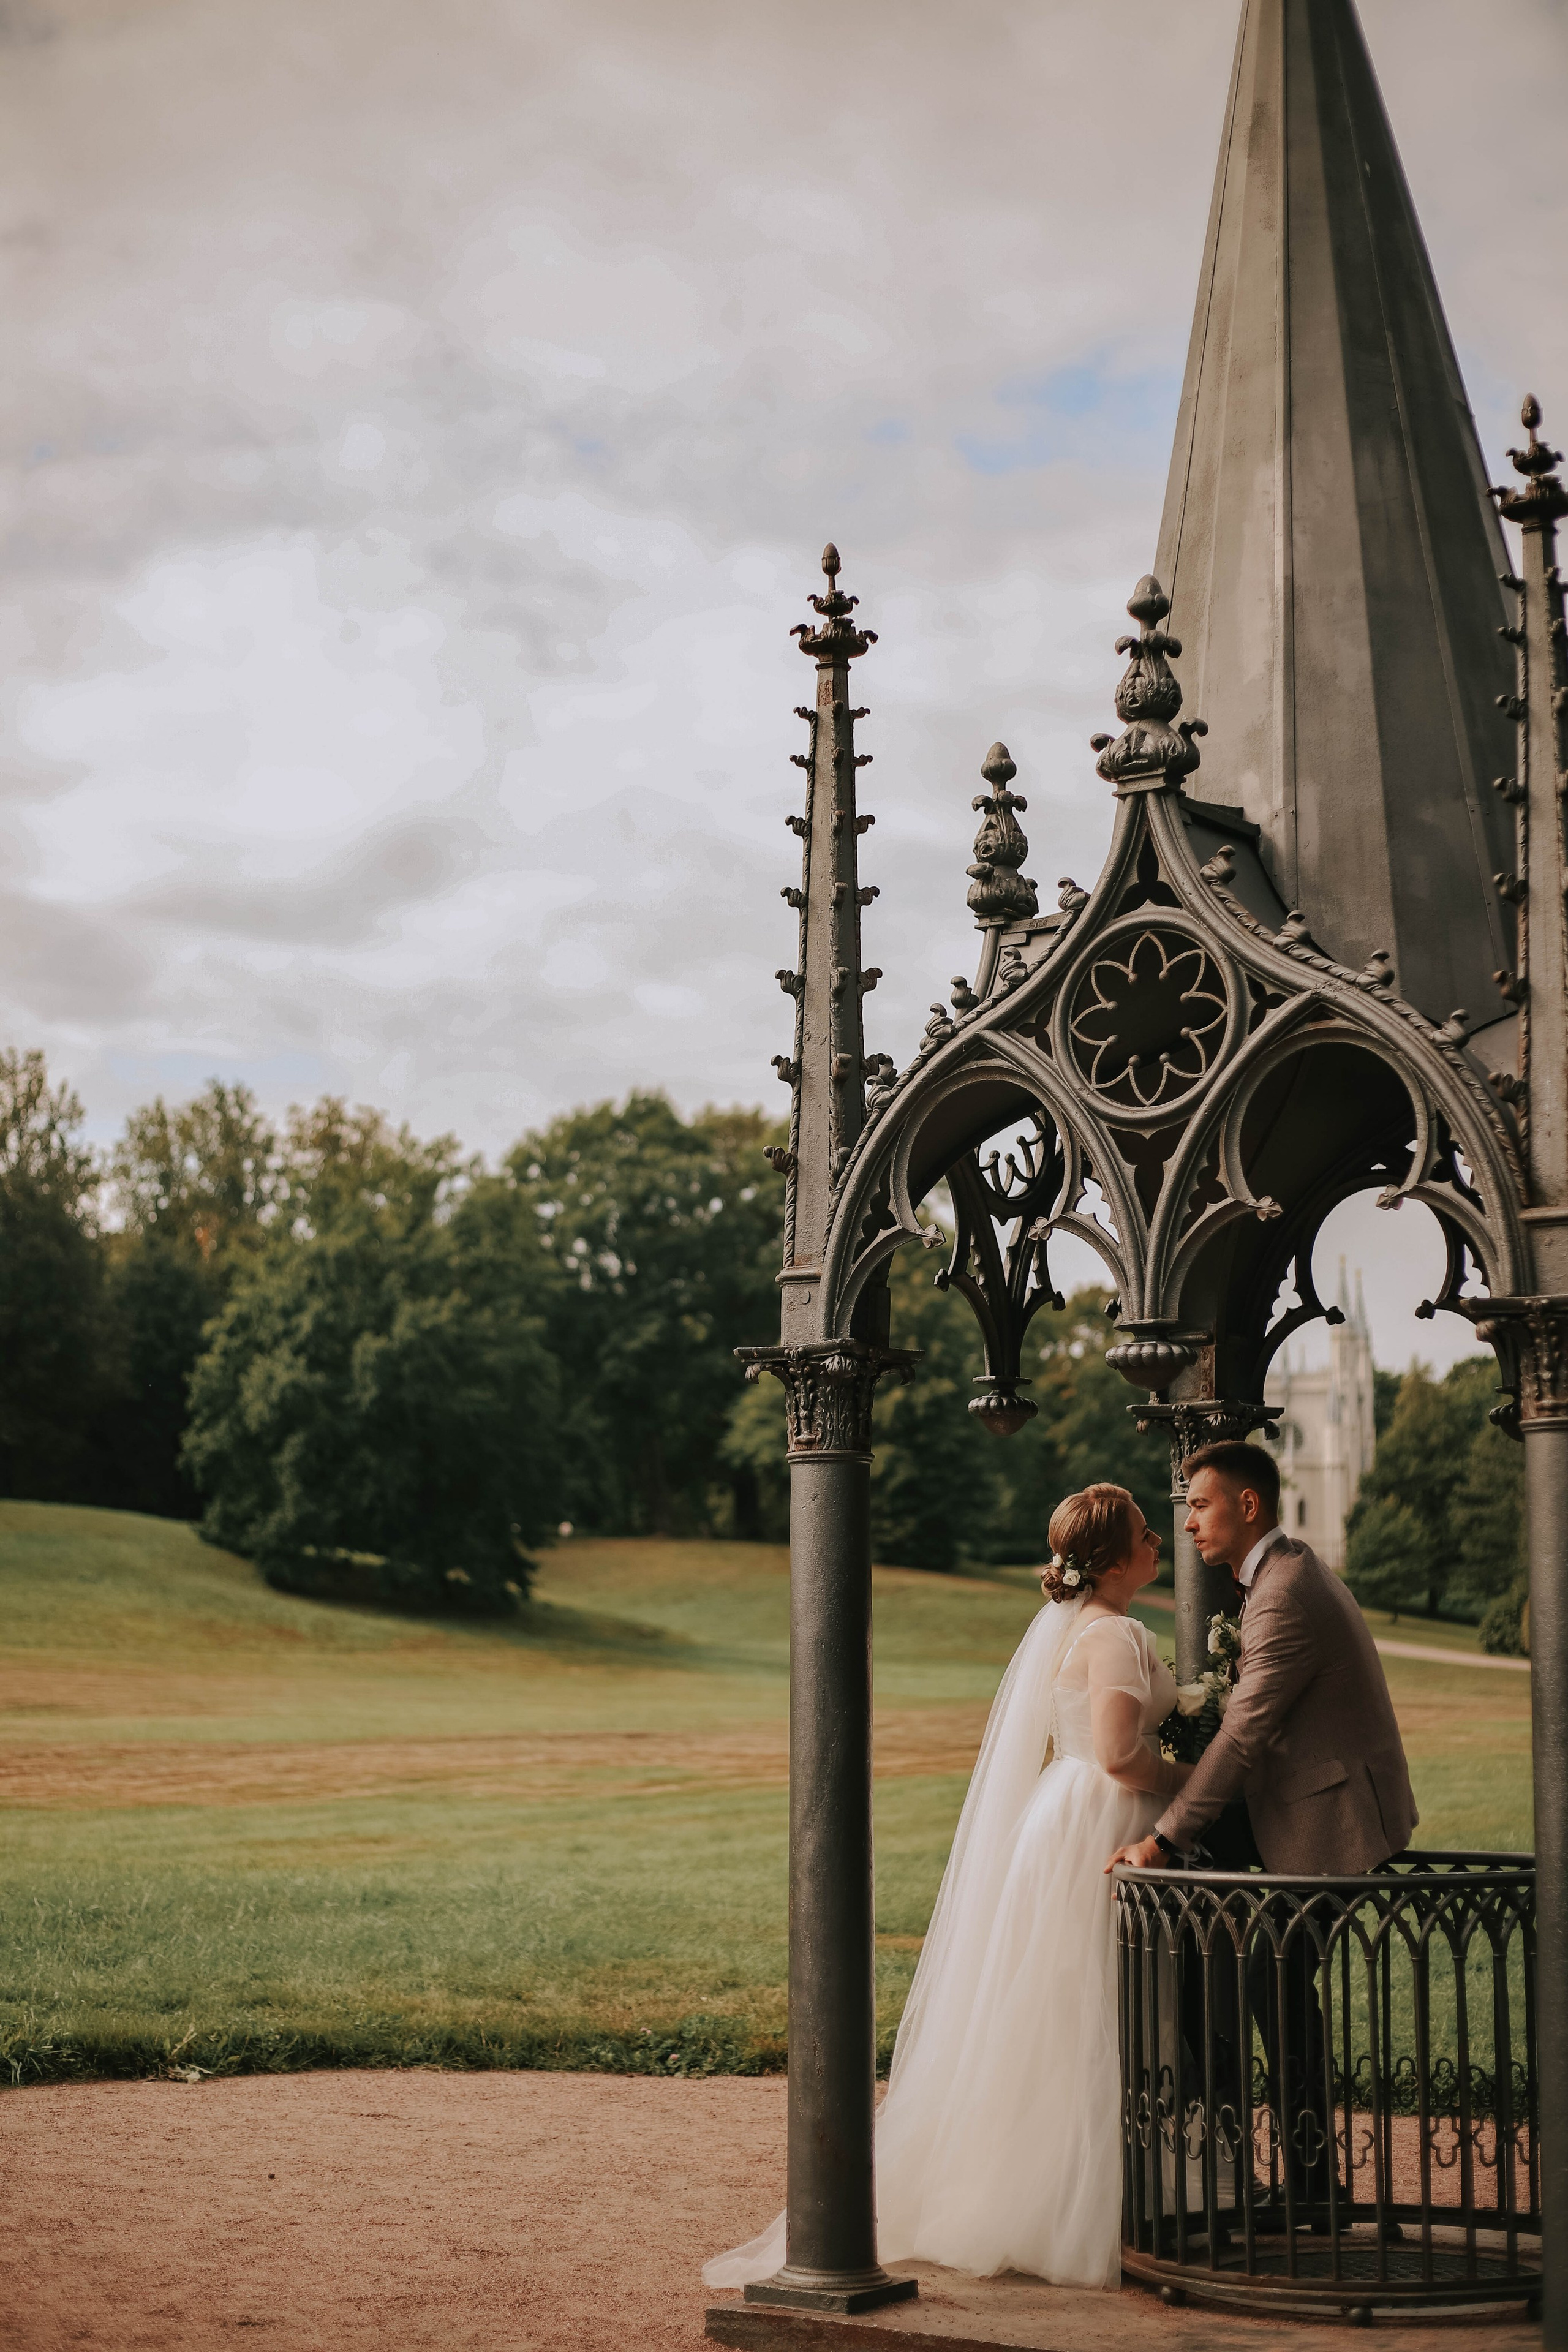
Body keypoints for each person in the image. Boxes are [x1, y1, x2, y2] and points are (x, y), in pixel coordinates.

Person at [704, 1482, 1190, 2294]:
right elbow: (1116, 1754)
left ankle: (1075, 2189)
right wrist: (1195, 1777)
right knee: (1090, 2009)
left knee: (1065, 2007)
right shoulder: (1114, 1636)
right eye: (1146, 1533)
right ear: (1109, 1559)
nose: (1157, 1544)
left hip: (1065, 1817)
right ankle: (1075, 2206)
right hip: (1099, 1821)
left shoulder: (1078, 1630)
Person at [1107, 1439, 1417, 1880]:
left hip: (1332, 1819)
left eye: (1200, 1506)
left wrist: (1162, 1842)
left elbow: (1240, 1737)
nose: (1189, 1524)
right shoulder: (1289, 1563)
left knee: (1170, 1852)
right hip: (1319, 1793)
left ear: (1248, 1505)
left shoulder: (1283, 1595)